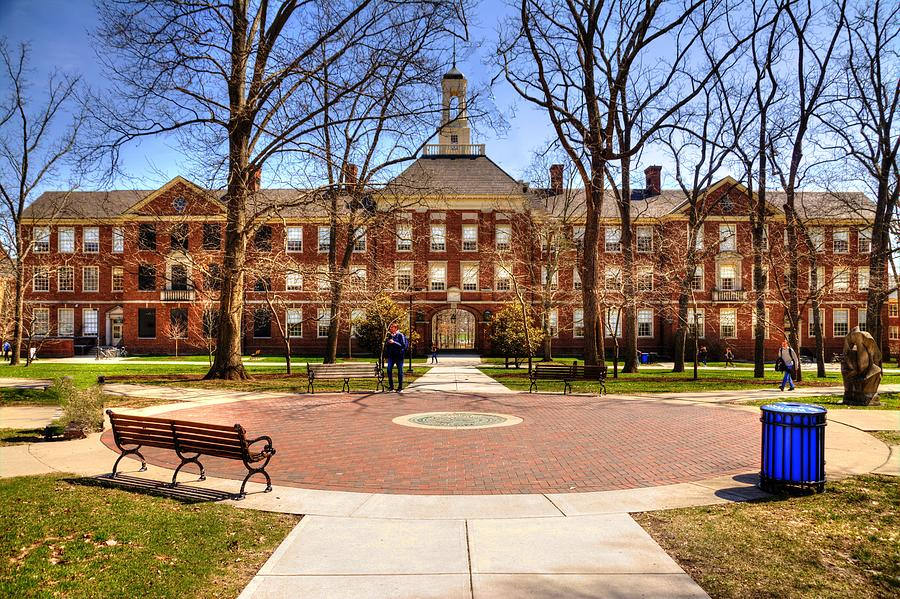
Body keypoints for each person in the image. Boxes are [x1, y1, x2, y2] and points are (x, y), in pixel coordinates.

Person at [384, 322, 408, 392]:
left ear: (396, 328)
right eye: (390, 327)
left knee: (400, 371)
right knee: (388, 370)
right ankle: (391, 387)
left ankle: (400, 388)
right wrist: (386, 355)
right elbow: (387, 347)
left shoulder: (400, 335)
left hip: (399, 356)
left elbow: (403, 345)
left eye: (392, 327)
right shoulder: (390, 336)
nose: (390, 328)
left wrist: (394, 342)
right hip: (391, 356)